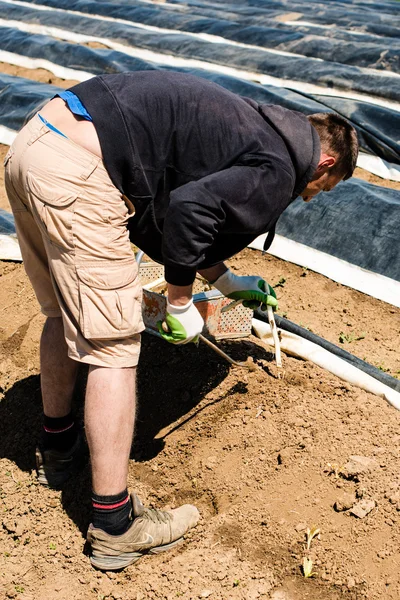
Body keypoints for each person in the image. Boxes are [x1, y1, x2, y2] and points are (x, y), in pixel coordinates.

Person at [3, 71, 359, 571]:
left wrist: (227, 281)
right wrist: (178, 302)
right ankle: (114, 525)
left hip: (36, 143)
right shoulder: (280, 167)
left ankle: (59, 452)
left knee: (64, 313)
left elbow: (166, 216)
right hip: (80, 169)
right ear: (325, 161)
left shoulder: (245, 127)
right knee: (114, 349)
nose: (313, 195)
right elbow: (190, 211)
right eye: (325, 186)